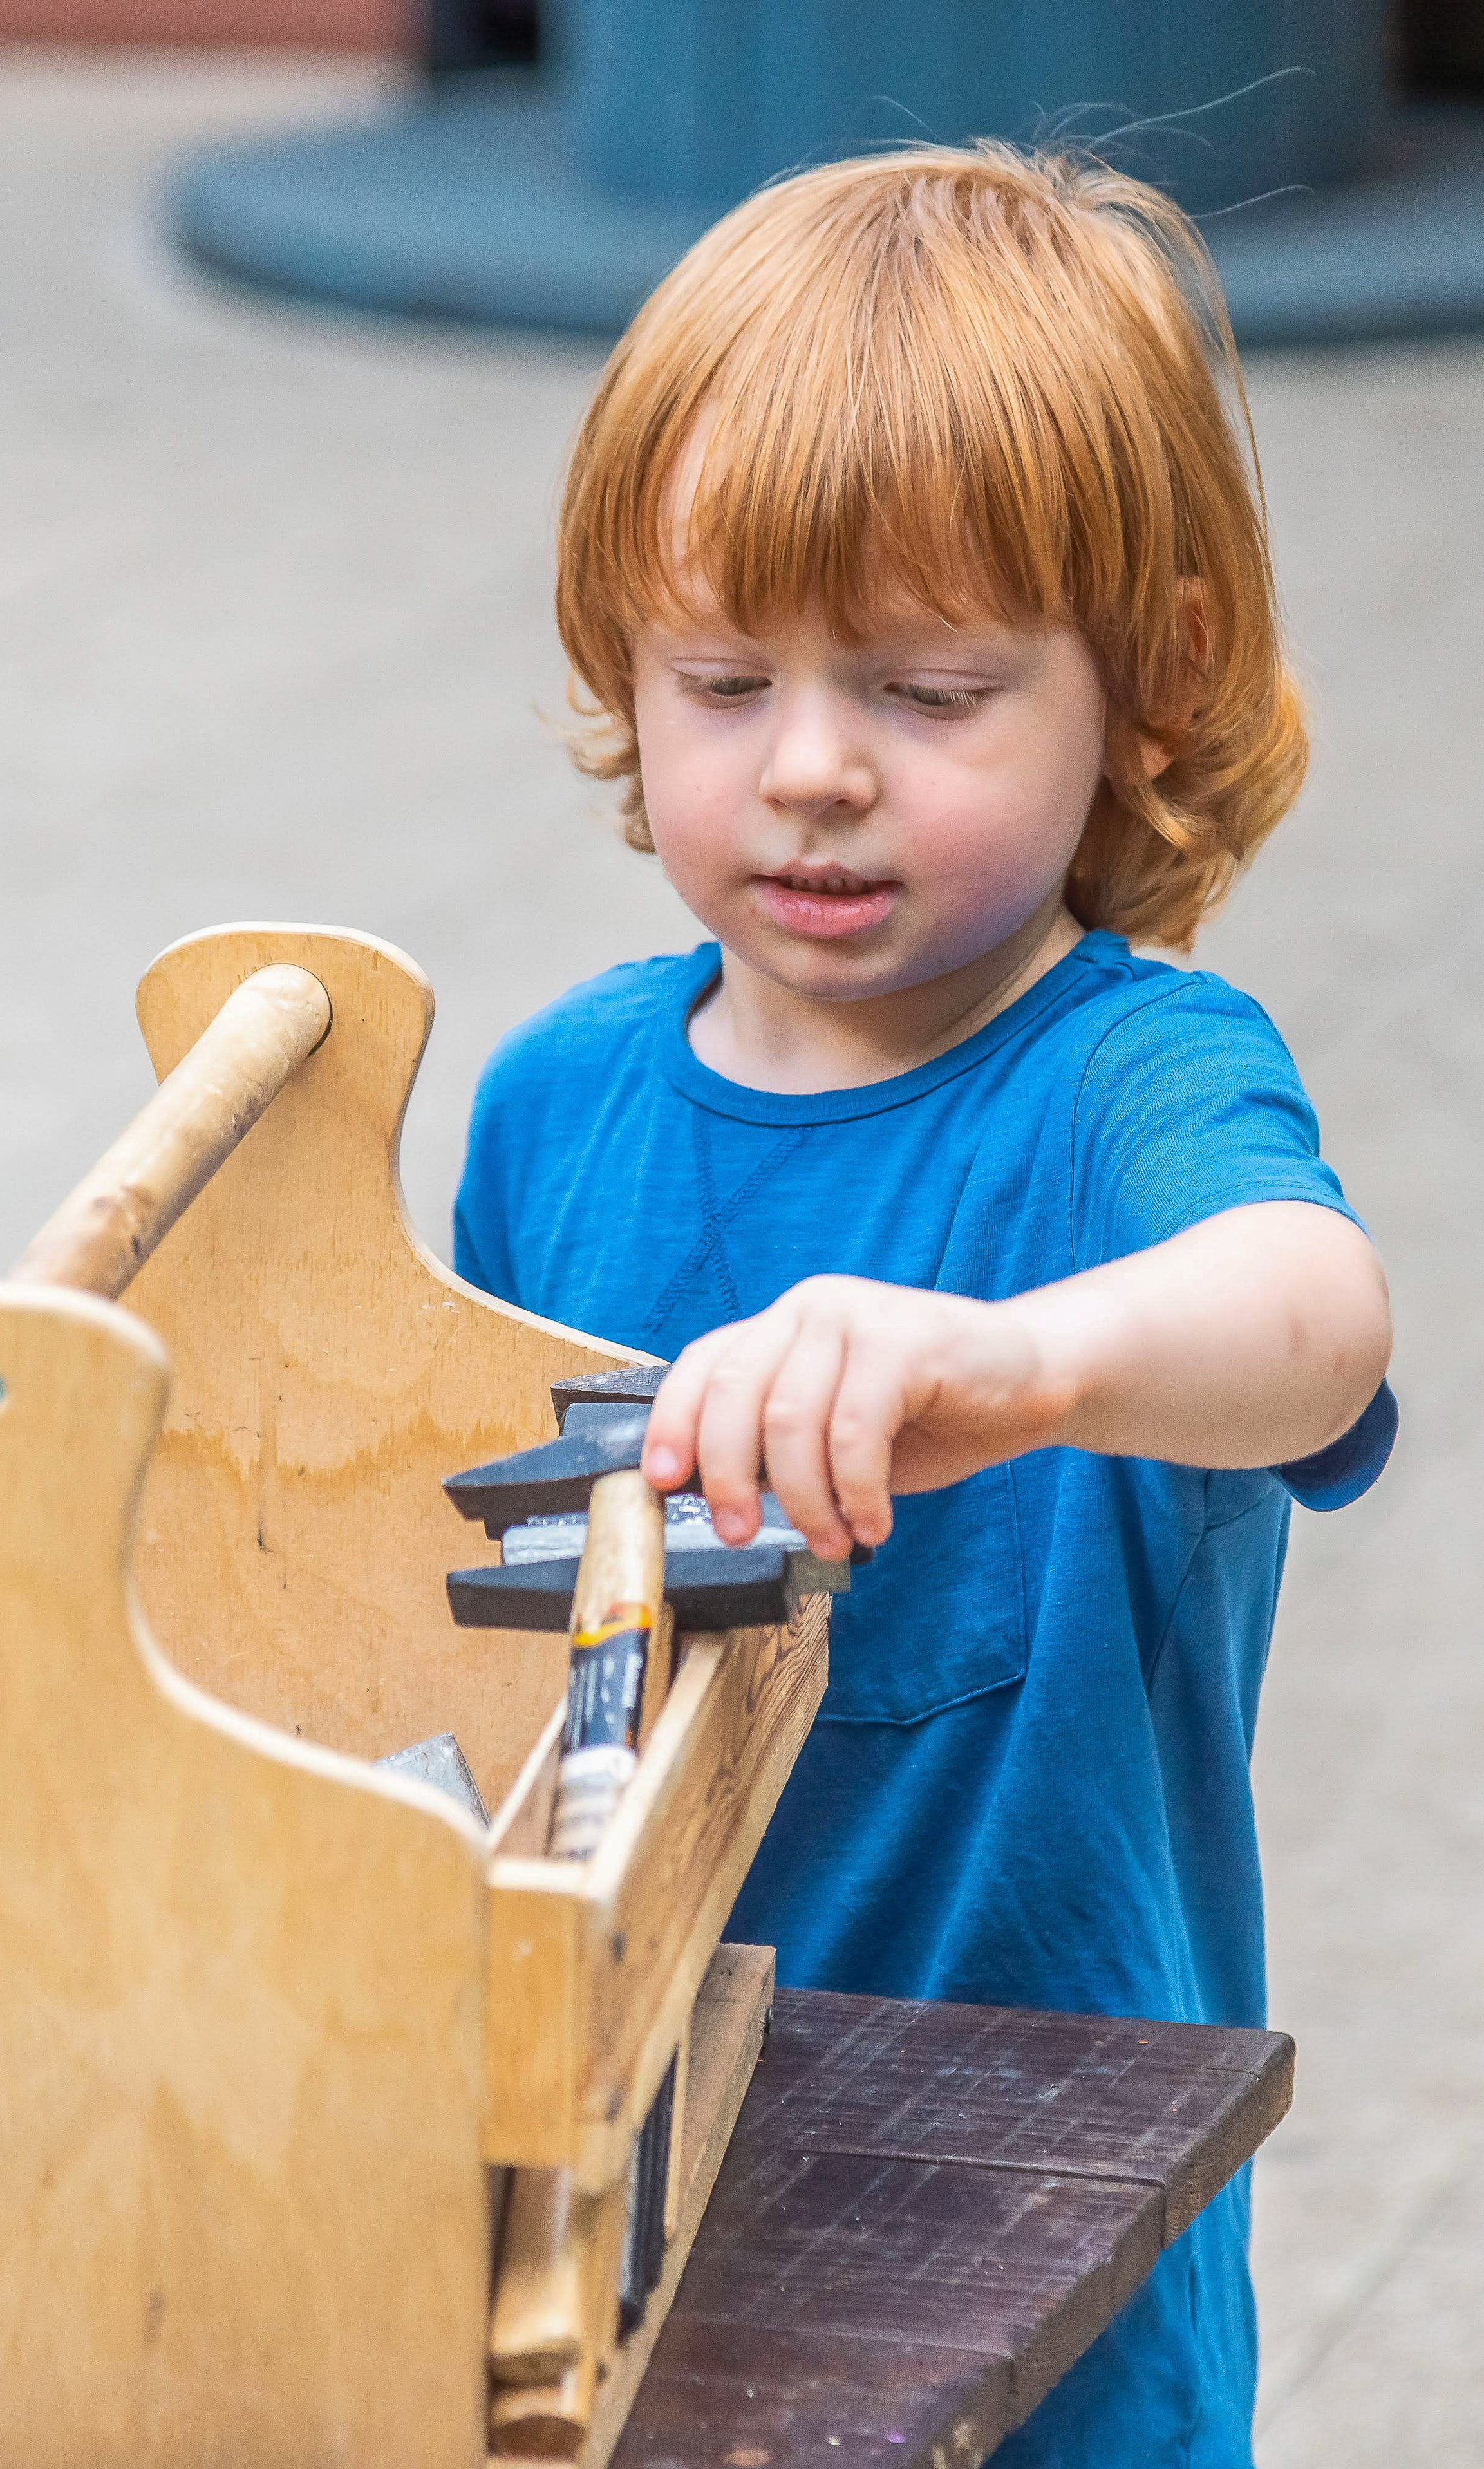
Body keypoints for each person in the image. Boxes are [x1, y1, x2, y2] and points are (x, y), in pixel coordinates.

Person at [455, 144, 1395, 2467]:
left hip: (1031, 2252)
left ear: (1150, 685)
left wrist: (1021, 1356)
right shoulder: (558, 1096)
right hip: (616, 2200)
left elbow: (1316, 1316)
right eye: (724, 676)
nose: (812, 767)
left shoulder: (1131, 1083)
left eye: (931, 687)